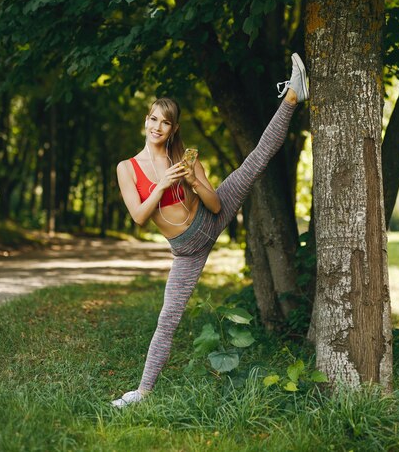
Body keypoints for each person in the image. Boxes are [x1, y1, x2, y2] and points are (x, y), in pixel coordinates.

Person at [112, 53, 309, 408]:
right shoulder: (127, 168)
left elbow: (217, 206)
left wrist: (192, 179)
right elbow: (139, 217)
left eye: (166, 122)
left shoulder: (184, 158)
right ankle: (141, 392)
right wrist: (160, 186)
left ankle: (293, 96)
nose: (158, 127)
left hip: (210, 218)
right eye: (154, 119)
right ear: (146, 121)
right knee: (167, 318)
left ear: (173, 128)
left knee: (255, 160)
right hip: (188, 250)